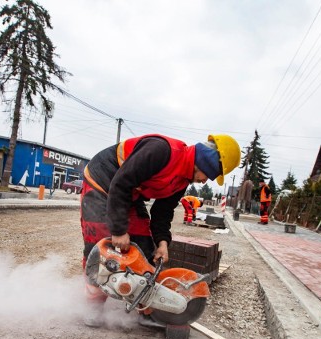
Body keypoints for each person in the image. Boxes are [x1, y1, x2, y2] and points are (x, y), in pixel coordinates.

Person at [80, 133, 241, 327]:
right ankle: (92, 306)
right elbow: (121, 183)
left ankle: (145, 308)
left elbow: (162, 212)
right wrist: (118, 230)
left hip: (129, 193)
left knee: (144, 248)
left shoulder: (182, 180)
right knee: (99, 247)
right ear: (208, 162)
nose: (206, 181)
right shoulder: (161, 151)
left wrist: (162, 242)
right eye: (210, 175)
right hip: (102, 181)